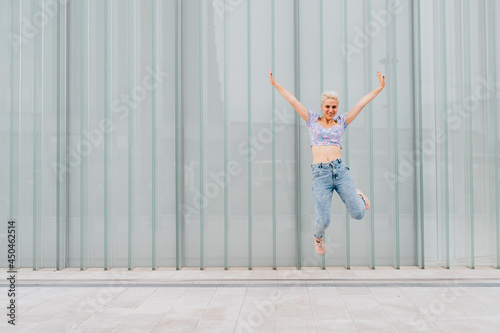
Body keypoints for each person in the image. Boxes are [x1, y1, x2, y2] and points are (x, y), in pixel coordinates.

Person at [269, 69, 385, 255]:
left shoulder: (342, 122)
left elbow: (361, 103)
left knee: (358, 214)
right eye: (327, 107)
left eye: (334, 107)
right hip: (320, 174)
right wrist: (275, 84)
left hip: (340, 171)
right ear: (322, 107)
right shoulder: (312, 120)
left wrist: (379, 88)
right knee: (324, 220)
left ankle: (359, 196)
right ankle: (318, 239)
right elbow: (293, 101)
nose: (331, 110)